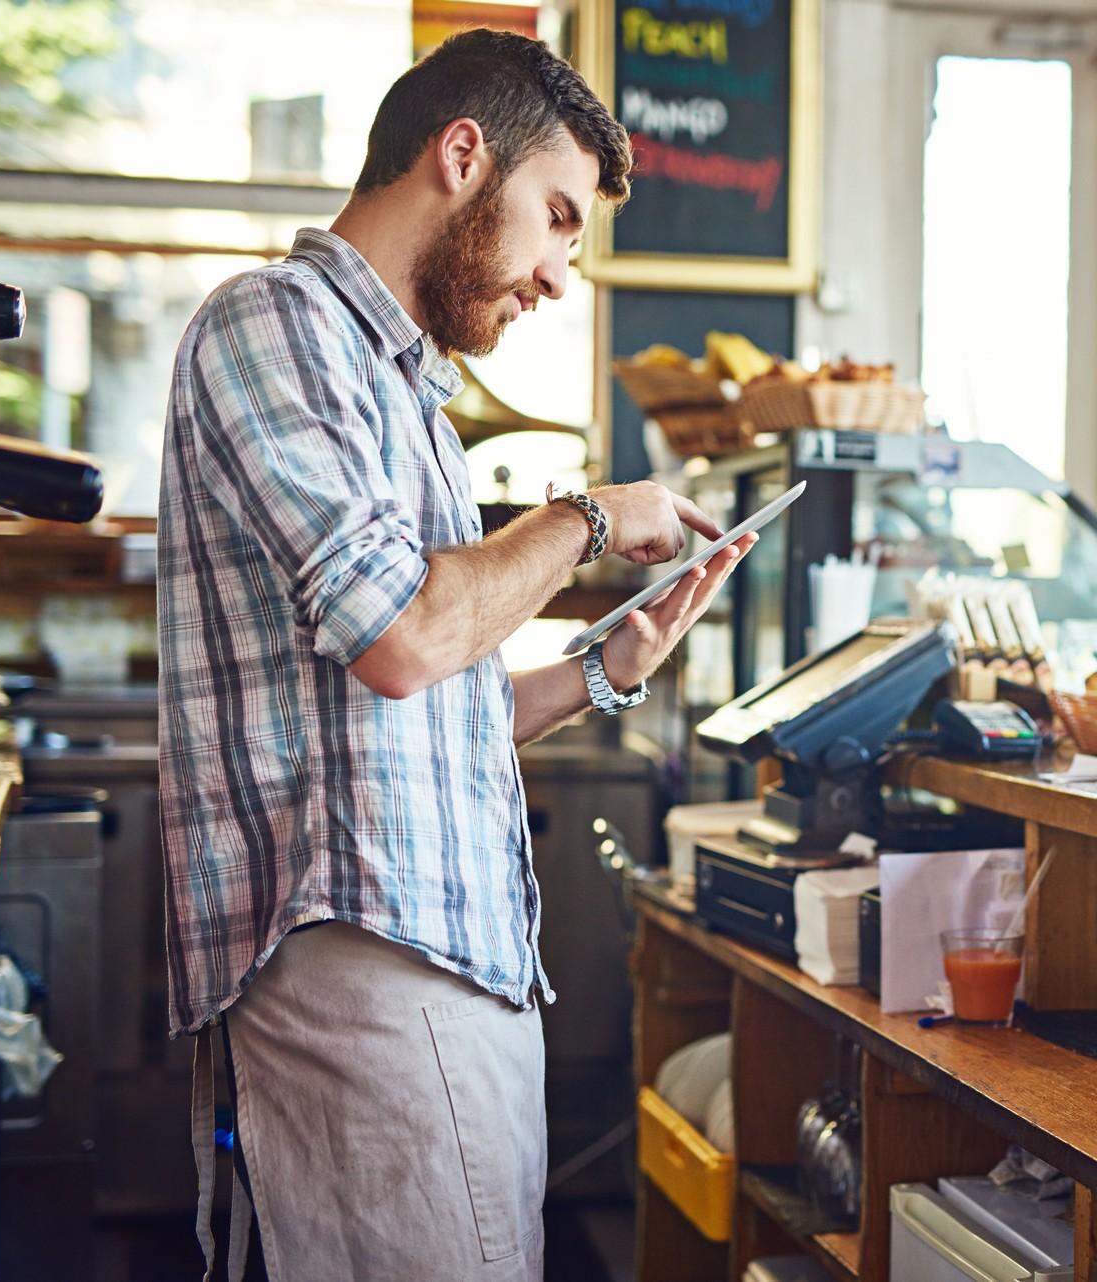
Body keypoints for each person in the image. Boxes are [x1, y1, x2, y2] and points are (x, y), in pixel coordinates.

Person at [155, 29, 744, 1281]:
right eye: (555, 218)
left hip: (439, 966)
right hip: (373, 965)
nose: (553, 277)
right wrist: (585, 518)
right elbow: (407, 635)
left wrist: (605, 668)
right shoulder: (276, 325)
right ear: (463, 156)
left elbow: (420, 704)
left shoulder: (404, 393)